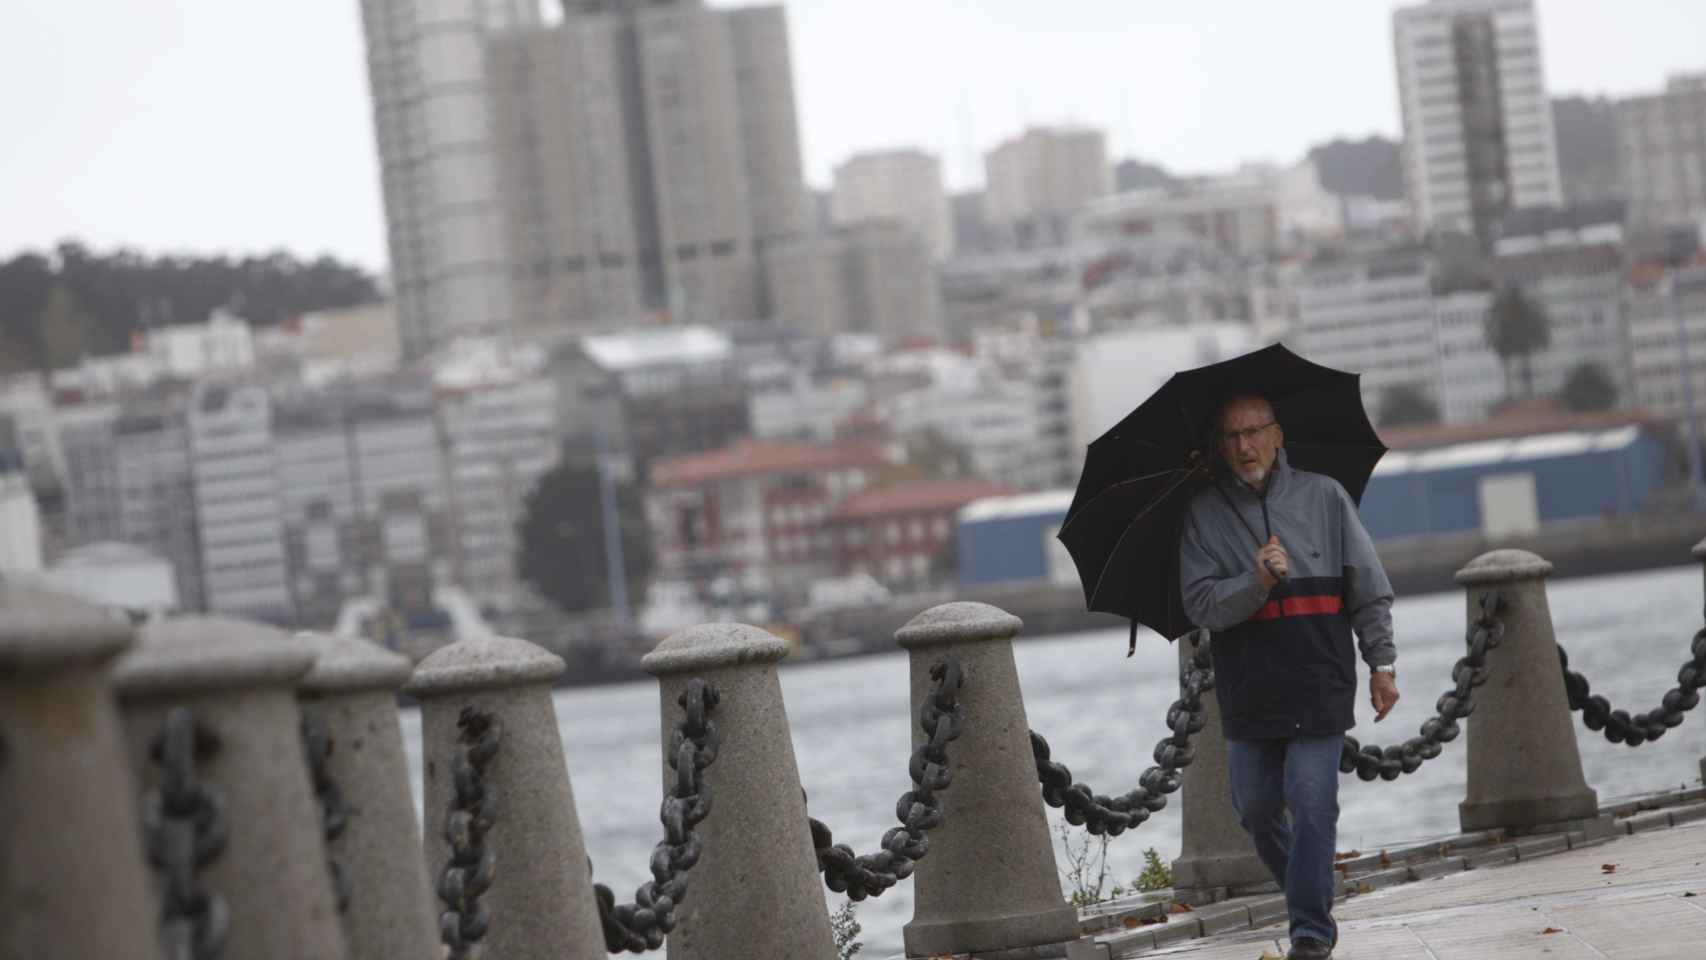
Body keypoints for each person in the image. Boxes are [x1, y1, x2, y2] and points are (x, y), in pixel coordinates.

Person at [1177, 393, 1399, 960]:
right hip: (1249, 682)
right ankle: (1313, 893)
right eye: (1231, 436)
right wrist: (1256, 582)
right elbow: (1201, 606)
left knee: (1310, 797)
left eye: (1254, 432)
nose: (1244, 446)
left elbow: (1366, 586)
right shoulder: (1203, 513)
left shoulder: (1325, 496)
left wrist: (1382, 664)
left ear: (1278, 435)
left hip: (1319, 672)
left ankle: (1310, 932)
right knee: (1253, 808)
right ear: (1217, 446)